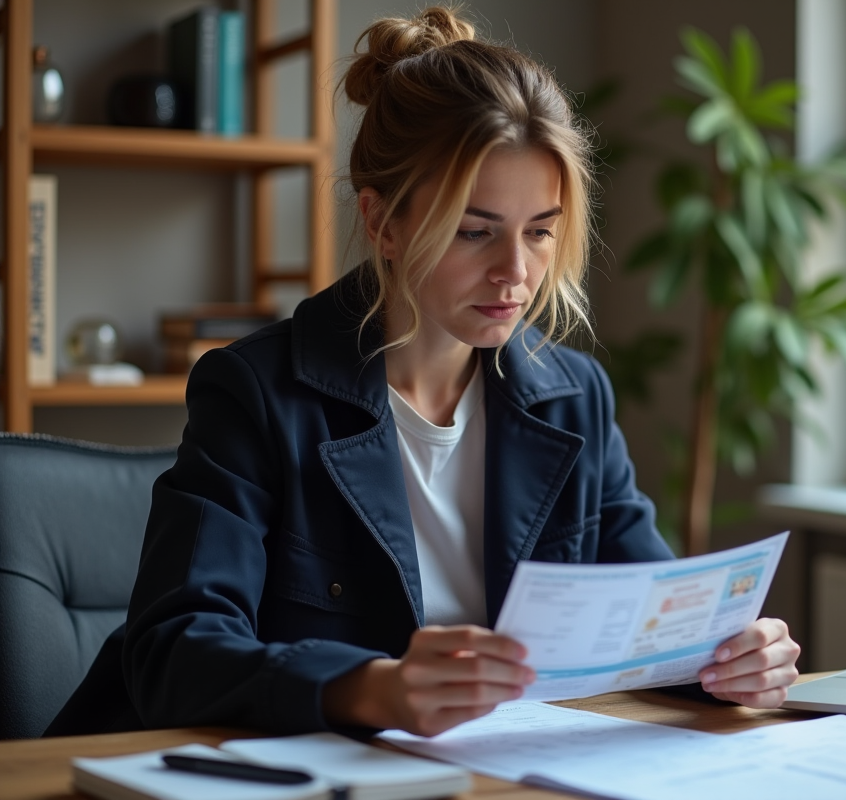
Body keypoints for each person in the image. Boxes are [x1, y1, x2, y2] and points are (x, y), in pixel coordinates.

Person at [47, 7, 800, 739]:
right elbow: (174, 652)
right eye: (474, 232)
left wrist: (727, 659)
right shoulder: (256, 392)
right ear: (383, 223)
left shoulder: (574, 397)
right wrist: (370, 687)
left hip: (499, 771)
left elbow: (655, 627)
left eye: (541, 232)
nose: (516, 272)